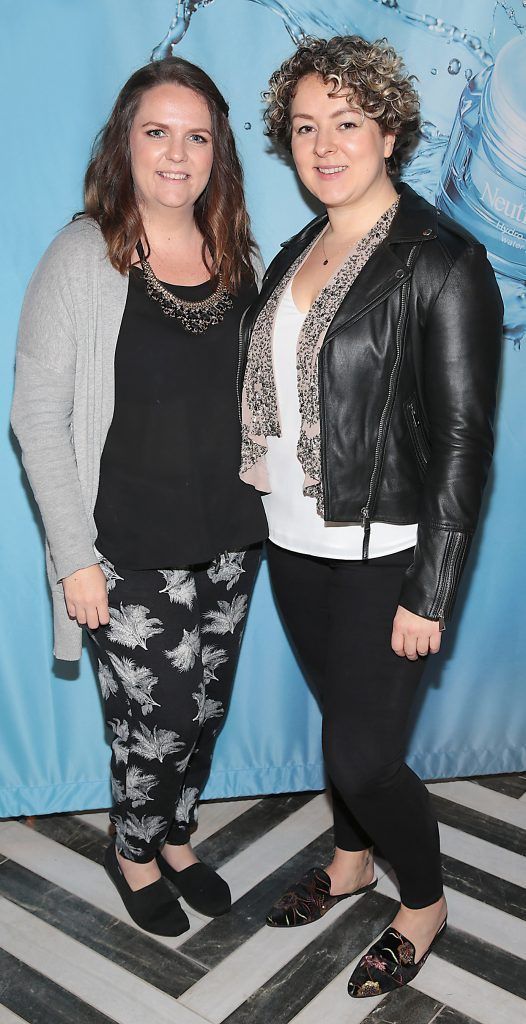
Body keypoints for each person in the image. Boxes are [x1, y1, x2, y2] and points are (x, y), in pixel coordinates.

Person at [239, 35, 502, 996]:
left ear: (389, 131)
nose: (324, 144)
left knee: (364, 750)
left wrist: (431, 590)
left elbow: (466, 440)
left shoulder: (442, 258)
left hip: (387, 548)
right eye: (305, 126)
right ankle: (351, 863)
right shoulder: (299, 248)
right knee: (337, 716)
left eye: (347, 122)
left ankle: (423, 901)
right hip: (296, 540)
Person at [11, 56, 267, 937]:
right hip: (124, 544)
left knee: (204, 706)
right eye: (157, 131)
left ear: (216, 153)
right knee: (153, 715)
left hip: (231, 533)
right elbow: (36, 414)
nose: (176, 152)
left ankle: (178, 834)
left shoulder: (236, 252)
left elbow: (256, 393)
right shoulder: (83, 253)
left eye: (197, 136)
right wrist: (72, 556)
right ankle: (132, 846)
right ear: (126, 141)